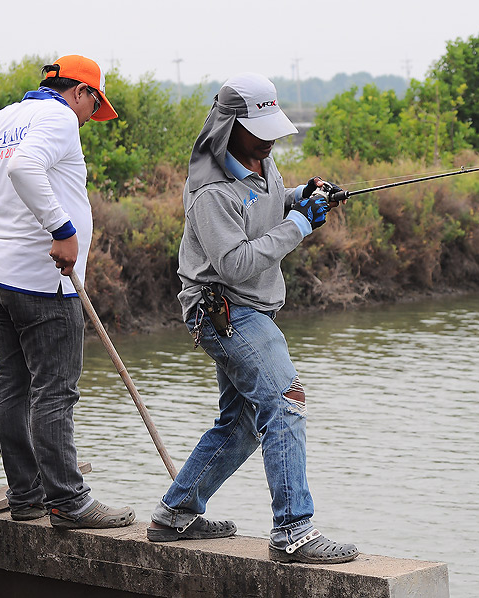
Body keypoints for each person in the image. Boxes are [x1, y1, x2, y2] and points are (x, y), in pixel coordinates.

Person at [147, 72, 359, 565]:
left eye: (271, 128)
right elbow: (237, 262)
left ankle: (174, 515)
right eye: (258, 128)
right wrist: (299, 226)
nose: (268, 139)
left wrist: (304, 196)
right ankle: (293, 531)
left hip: (251, 307)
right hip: (223, 311)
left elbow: (263, 206)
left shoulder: (259, 159)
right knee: (286, 400)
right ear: (229, 126)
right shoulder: (210, 190)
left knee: (241, 423)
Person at [0, 55, 135, 529]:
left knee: (14, 388)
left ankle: (26, 498)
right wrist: (62, 230)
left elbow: (9, 173)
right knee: (55, 394)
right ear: (81, 92)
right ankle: (68, 500)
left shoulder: (6, 117)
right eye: (93, 104)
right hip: (45, 285)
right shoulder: (60, 116)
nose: (90, 116)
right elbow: (25, 169)